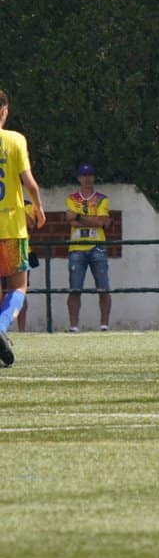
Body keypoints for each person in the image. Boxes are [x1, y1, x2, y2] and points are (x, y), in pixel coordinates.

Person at [0, 89, 47, 367]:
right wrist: (38, 208)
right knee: (19, 286)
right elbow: (30, 183)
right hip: (12, 227)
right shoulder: (15, 140)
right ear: (4, 111)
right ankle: (2, 325)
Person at [65, 163, 113, 332]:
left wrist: (79, 216)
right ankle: (73, 325)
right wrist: (93, 219)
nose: (87, 179)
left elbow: (101, 222)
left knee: (103, 287)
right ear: (78, 178)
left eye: (90, 175)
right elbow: (70, 221)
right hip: (76, 247)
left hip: (97, 246)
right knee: (75, 288)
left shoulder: (102, 198)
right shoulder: (72, 198)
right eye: (84, 176)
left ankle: (104, 325)